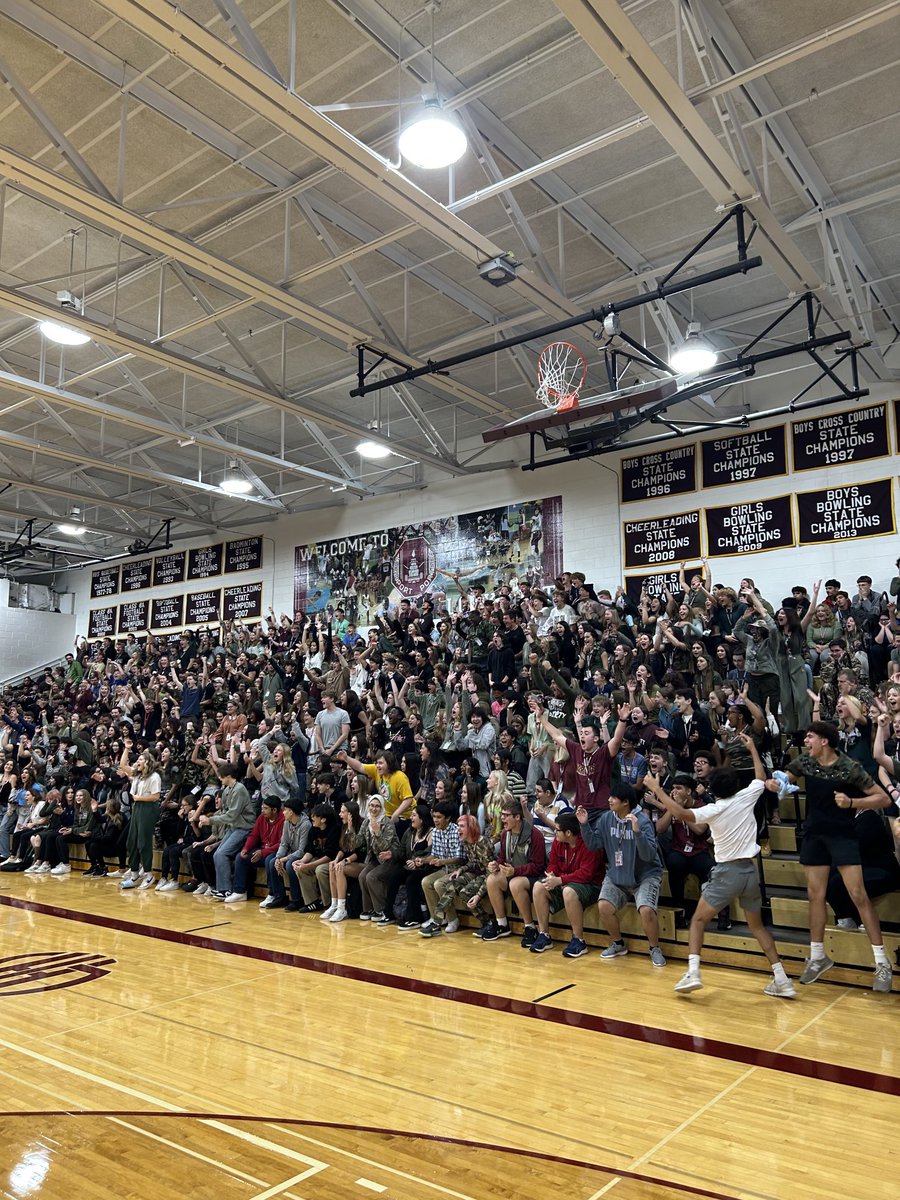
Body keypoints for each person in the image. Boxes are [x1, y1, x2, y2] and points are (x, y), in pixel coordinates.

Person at [647, 735, 796, 997]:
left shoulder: (713, 809)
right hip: (751, 872)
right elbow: (760, 777)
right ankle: (782, 978)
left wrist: (658, 790)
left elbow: (681, 814)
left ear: (714, 788)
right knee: (757, 927)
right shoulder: (746, 796)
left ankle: (693, 972)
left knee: (698, 921)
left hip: (728, 872)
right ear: (736, 784)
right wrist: (751, 748)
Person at [770, 721, 893, 992]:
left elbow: (883, 799)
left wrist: (852, 803)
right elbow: (784, 780)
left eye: (810, 737)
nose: (806, 742)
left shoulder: (849, 767)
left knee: (858, 895)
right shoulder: (805, 762)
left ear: (824, 741)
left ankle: (882, 962)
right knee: (816, 895)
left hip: (842, 835)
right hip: (815, 835)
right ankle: (817, 956)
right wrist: (774, 782)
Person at [576, 782, 666, 966]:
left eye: (613, 798)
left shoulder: (643, 821)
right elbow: (594, 845)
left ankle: (654, 948)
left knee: (647, 910)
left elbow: (649, 855)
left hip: (645, 875)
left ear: (625, 803)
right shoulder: (606, 819)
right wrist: (584, 825)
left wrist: (638, 833)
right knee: (604, 906)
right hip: (617, 874)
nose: (609, 800)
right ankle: (618, 944)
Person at [529, 811, 605, 957]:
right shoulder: (559, 842)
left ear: (569, 833)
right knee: (539, 886)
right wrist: (551, 875)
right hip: (565, 881)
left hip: (591, 885)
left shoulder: (589, 844)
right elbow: (553, 864)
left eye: (557, 830)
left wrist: (560, 880)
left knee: (568, 891)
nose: (554, 832)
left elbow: (586, 874)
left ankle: (579, 940)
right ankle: (544, 934)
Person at [474, 796, 546, 942]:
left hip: (533, 877)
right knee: (492, 879)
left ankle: (530, 927)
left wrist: (515, 872)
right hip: (513, 873)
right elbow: (502, 858)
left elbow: (538, 867)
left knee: (515, 883)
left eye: (506, 816)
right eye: (502, 815)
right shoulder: (505, 834)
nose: (502, 819)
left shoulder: (535, 835)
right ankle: (502, 924)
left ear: (517, 817)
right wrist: (495, 864)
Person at [117, 739, 162, 890]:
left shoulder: (154, 777)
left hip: (148, 809)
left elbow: (156, 797)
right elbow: (123, 765)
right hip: (137, 808)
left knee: (143, 842)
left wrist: (139, 798)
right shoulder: (138, 775)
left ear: (148, 762)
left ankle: (148, 875)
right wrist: (126, 748)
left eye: (141, 759)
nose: (137, 762)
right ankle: (135, 873)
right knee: (131, 841)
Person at [224, 798, 284, 903]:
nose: (262, 811)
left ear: (274, 810)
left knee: (269, 860)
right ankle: (240, 892)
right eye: (262, 808)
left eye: (265, 808)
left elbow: (282, 843)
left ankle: (272, 894)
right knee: (241, 857)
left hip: (276, 851)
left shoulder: (283, 820)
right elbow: (254, 835)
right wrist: (246, 848)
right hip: (262, 849)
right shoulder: (262, 818)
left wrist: (263, 852)